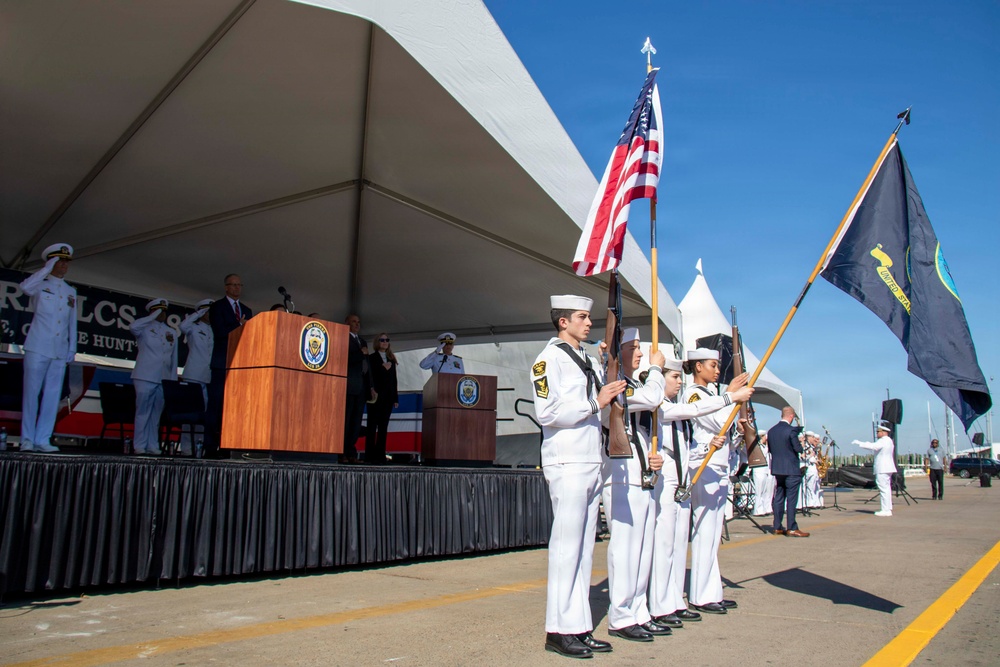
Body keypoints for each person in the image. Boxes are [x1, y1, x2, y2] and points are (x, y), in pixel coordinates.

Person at [532, 295, 626, 659]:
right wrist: (594, 402)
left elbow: (601, 407)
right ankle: (558, 629)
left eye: (589, 317)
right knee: (566, 548)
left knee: (585, 550)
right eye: (582, 318)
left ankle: (578, 626)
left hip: (591, 459)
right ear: (563, 322)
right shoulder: (547, 360)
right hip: (567, 460)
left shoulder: (587, 359)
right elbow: (548, 411)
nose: (589, 323)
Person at [648, 355, 752, 627]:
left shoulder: (697, 397)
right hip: (693, 470)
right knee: (683, 537)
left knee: (694, 537)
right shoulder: (693, 396)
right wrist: (731, 398)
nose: (679, 382)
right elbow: (711, 420)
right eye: (673, 377)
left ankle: (691, 596)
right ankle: (685, 598)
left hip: (699, 468)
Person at [601, 329, 669, 643]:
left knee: (642, 548)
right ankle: (621, 614)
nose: (641, 354)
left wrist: (653, 460)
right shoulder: (614, 384)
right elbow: (655, 398)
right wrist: (657, 368)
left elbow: (647, 425)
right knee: (625, 548)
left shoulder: (636, 384)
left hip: (640, 473)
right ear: (620, 352)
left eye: (642, 349)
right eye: (635, 348)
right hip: (620, 475)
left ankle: (638, 610)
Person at [680, 348, 750, 614]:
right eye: (712, 365)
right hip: (703, 464)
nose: (718, 370)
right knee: (704, 530)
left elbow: (728, 429)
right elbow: (719, 421)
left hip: (719, 464)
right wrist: (732, 396)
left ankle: (711, 591)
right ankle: (700, 594)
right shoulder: (695, 393)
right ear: (698, 367)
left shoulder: (713, 395)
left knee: (713, 533)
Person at [18, 243, 77, 453]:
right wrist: (45, 269)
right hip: (38, 346)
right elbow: (24, 288)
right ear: (51, 262)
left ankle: (43, 438)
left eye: (65, 262)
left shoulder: (71, 291)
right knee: (31, 393)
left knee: (52, 395)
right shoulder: (40, 285)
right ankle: (27, 438)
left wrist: (72, 347)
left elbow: (72, 322)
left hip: (59, 350)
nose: (63, 265)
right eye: (59, 261)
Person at [207, 274, 252, 458]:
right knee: (216, 406)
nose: (236, 288)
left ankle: (228, 447)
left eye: (239, 285)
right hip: (221, 363)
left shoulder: (247, 310)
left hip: (239, 365)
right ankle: (210, 448)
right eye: (232, 285)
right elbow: (220, 332)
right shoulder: (217, 307)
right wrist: (239, 326)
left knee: (233, 408)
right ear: (226, 287)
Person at [130, 299, 178, 456]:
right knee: (143, 412)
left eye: (164, 311)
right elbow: (133, 327)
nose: (162, 314)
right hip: (145, 375)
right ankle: (139, 445)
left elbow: (173, 359)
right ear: (152, 311)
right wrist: (150, 318)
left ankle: (152, 444)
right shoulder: (144, 328)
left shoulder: (170, 332)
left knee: (156, 414)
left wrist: (171, 381)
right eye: (158, 311)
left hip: (163, 378)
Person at [178, 299, 214, 455]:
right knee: (189, 414)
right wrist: (199, 313)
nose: (209, 315)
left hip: (207, 376)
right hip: (193, 374)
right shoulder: (193, 327)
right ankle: (186, 448)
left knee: (203, 415)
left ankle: (199, 447)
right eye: (207, 312)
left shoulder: (214, 329)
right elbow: (182, 326)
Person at [768, 406, 809, 537]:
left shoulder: (772, 431)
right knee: (791, 499)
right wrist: (801, 443)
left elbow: (770, 449)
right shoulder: (791, 431)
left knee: (779, 497)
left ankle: (777, 526)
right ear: (791, 416)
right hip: (791, 468)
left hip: (778, 468)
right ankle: (791, 527)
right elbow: (797, 449)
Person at [365, 333, 398, 465]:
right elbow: (370, 376)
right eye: (382, 340)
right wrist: (382, 368)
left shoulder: (391, 359)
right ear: (377, 342)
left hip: (388, 397)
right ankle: (369, 455)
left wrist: (395, 398)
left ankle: (380, 455)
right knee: (372, 426)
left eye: (387, 340)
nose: (385, 342)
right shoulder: (372, 358)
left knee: (383, 427)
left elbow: (394, 380)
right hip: (375, 396)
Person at [854, 421, 897, 517]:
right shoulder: (889, 440)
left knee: (883, 488)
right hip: (887, 467)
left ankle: (885, 510)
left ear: (883, 432)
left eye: (878, 432)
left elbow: (874, 446)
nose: (877, 434)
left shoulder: (883, 440)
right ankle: (888, 508)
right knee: (886, 488)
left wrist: (860, 443)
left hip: (882, 467)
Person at [342, 314, 369, 463]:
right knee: (346, 420)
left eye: (359, 322)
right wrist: (360, 353)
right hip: (349, 385)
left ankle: (351, 452)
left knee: (356, 422)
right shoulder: (343, 338)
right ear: (347, 323)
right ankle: (342, 452)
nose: (357, 325)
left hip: (361, 387)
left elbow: (367, 366)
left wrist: (370, 386)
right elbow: (345, 359)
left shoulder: (362, 341)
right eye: (354, 322)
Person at [751, 431, 775, 516]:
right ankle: (758, 510)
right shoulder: (757, 447)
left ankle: (765, 508)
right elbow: (762, 455)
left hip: (766, 471)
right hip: (759, 471)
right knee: (759, 491)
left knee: (765, 491)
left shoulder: (765, 446)